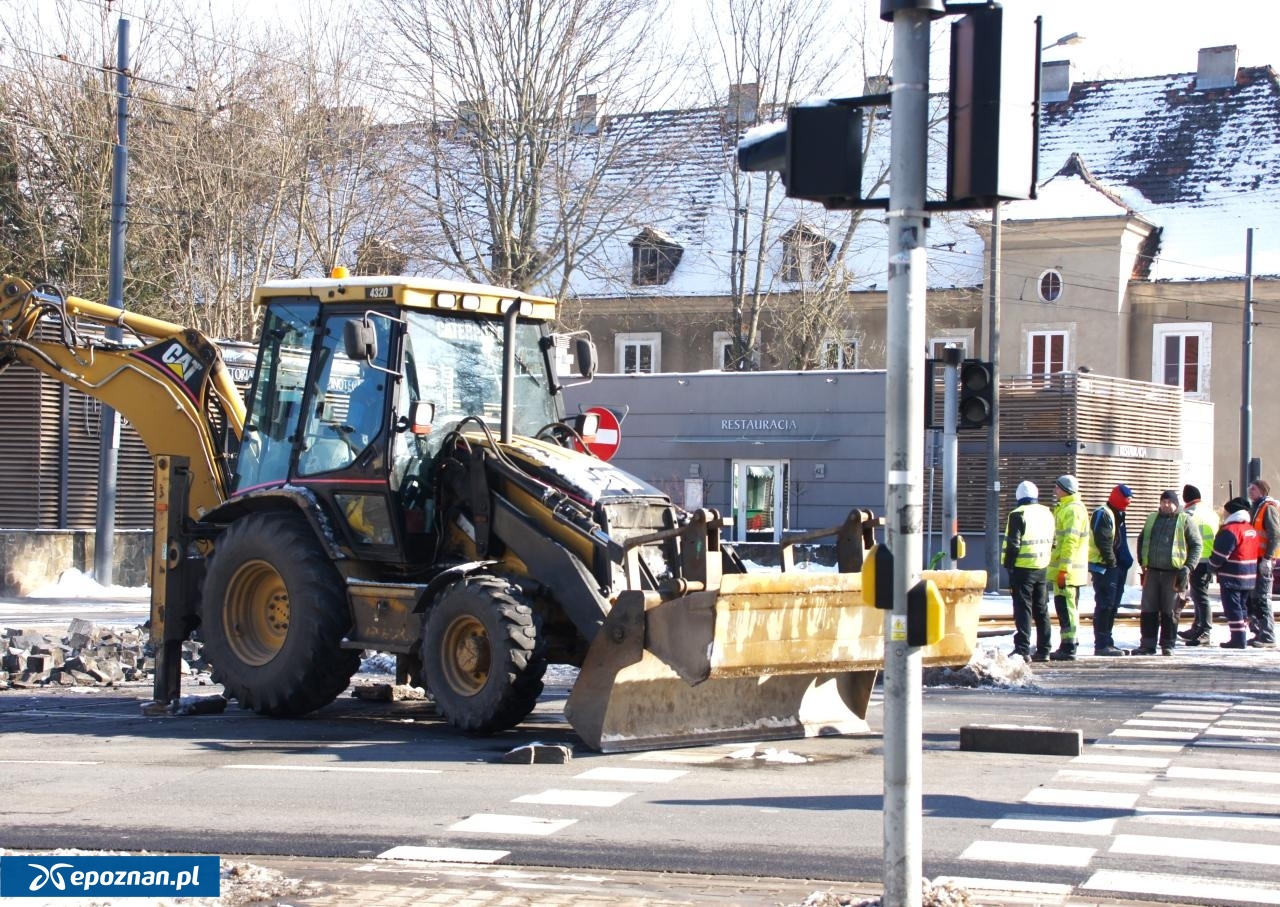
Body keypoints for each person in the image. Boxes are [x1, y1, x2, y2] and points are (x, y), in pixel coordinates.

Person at [1135, 489, 1201, 655]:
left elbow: (1196, 545)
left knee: (1170, 610)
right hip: (1152, 572)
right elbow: (1142, 539)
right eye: (1163, 501)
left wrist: (1188, 567)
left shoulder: (1184, 520)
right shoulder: (1152, 518)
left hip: (1174, 573)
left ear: (1176, 504)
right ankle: (1147, 644)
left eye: (1169, 502)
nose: (1165, 505)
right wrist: (1142, 561)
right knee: (1148, 609)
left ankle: (1168, 644)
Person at [1002, 480, 1056, 661]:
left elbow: (1013, 544)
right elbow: (1053, 540)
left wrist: (1009, 566)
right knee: (1041, 609)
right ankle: (1044, 649)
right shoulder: (1047, 512)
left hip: (1022, 568)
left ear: (1018, 497)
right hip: (1042, 565)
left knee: (1023, 608)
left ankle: (1023, 649)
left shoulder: (1018, 514)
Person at [1087, 484, 1133, 656]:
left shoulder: (1117, 513)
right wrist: (1112, 563)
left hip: (1114, 566)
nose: (1128, 502)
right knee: (1105, 605)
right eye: (1126, 499)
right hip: (1105, 567)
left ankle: (1107, 641)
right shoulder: (1104, 513)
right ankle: (1102, 643)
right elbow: (1104, 541)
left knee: (1112, 605)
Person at [1209, 497, 1260, 649]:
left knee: (1233, 608)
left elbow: (1220, 554)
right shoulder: (1250, 529)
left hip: (1232, 576)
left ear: (1231, 512)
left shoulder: (1230, 530)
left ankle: (1237, 639)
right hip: (1249, 575)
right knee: (1242, 607)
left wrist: (1211, 567)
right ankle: (1241, 636)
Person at [1049, 474, 1089, 661]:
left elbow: (1069, 542)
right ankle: (1069, 643)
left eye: (1058, 488)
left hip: (1068, 572)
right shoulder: (1068, 508)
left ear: (1065, 489)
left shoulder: (1072, 510)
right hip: (1069, 571)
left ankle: (1069, 645)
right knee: (1066, 607)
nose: (1055, 491)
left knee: (1066, 608)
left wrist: (1064, 569)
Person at [1178, 484, 1219, 646]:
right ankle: (1197, 627)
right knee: (1199, 595)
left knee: (1200, 597)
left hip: (1196, 559)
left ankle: (1204, 631)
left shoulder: (1190, 513)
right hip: (1210, 558)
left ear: (1185, 498)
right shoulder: (1211, 513)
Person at [1246, 479, 1279, 648]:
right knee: (1254, 598)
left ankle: (1267, 634)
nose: (1250, 491)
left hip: (1263, 560)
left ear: (1262, 491)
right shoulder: (1256, 508)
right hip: (1255, 559)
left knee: (1263, 598)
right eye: (1250, 488)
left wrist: (1267, 558)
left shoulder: (1268, 508)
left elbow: (1275, 534)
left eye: (1253, 489)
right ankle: (1260, 632)